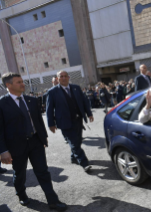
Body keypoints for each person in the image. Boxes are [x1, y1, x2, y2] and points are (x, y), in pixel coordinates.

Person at [0, 73, 67, 210]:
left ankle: (53, 201)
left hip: (36, 142)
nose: (22, 84)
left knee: (43, 172)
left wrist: (43, 137)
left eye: (22, 81)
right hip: (16, 146)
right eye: (18, 82)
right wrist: (3, 150)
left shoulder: (31, 100)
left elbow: (38, 121)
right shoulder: (2, 103)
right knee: (19, 174)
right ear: (8, 85)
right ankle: (21, 195)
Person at [46, 70, 93, 172]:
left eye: (65, 76)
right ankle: (84, 163)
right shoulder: (52, 92)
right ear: (58, 79)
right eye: (61, 76)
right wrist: (51, 124)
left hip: (78, 120)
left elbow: (84, 101)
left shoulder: (76, 88)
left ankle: (73, 158)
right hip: (64, 122)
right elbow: (49, 109)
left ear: (68, 77)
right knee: (74, 143)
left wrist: (89, 113)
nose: (63, 78)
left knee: (78, 141)